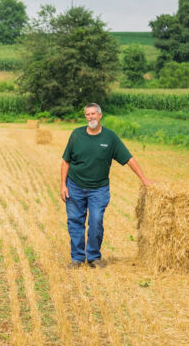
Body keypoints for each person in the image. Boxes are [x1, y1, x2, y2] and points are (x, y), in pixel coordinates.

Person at [60, 102, 151, 268]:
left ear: (100, 115)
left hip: (99, 189)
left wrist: (144, 179)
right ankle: (77, 258)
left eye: (93, 114)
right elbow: (65, 162)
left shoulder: (110, 137)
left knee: (96, 221)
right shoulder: (76, 135)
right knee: (75, 222)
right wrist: (63, 185)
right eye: (87, 114)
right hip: (75, 186)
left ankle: (94, 257)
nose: (90, 117)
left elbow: (128, 159)